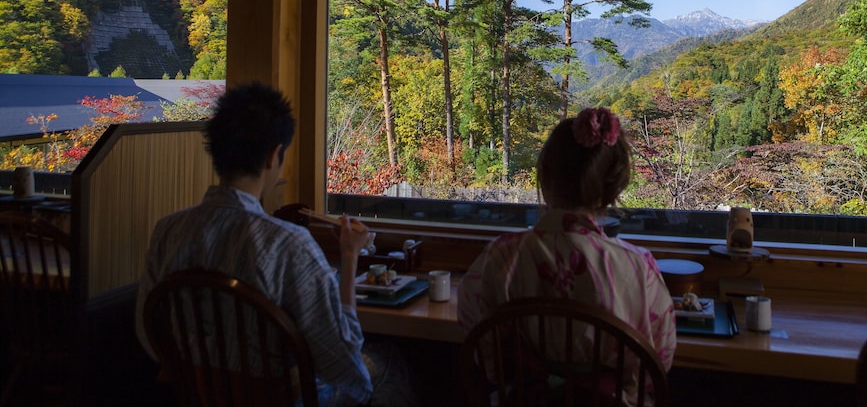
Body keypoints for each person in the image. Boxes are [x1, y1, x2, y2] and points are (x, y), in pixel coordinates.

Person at [136, 81, 411, 406]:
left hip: (195, 396)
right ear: (273, 156)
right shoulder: (288, 244)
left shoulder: (168, 231)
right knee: (390, 364)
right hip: (277, 398)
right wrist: (349, 257)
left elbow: (148, 335)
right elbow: (343, 358)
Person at [458, 107, 676, 391]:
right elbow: (659, 361)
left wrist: (539, 377)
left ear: (545, 179)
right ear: (613, 189)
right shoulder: (638, 268)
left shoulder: (501, 257)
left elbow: (476, 335)